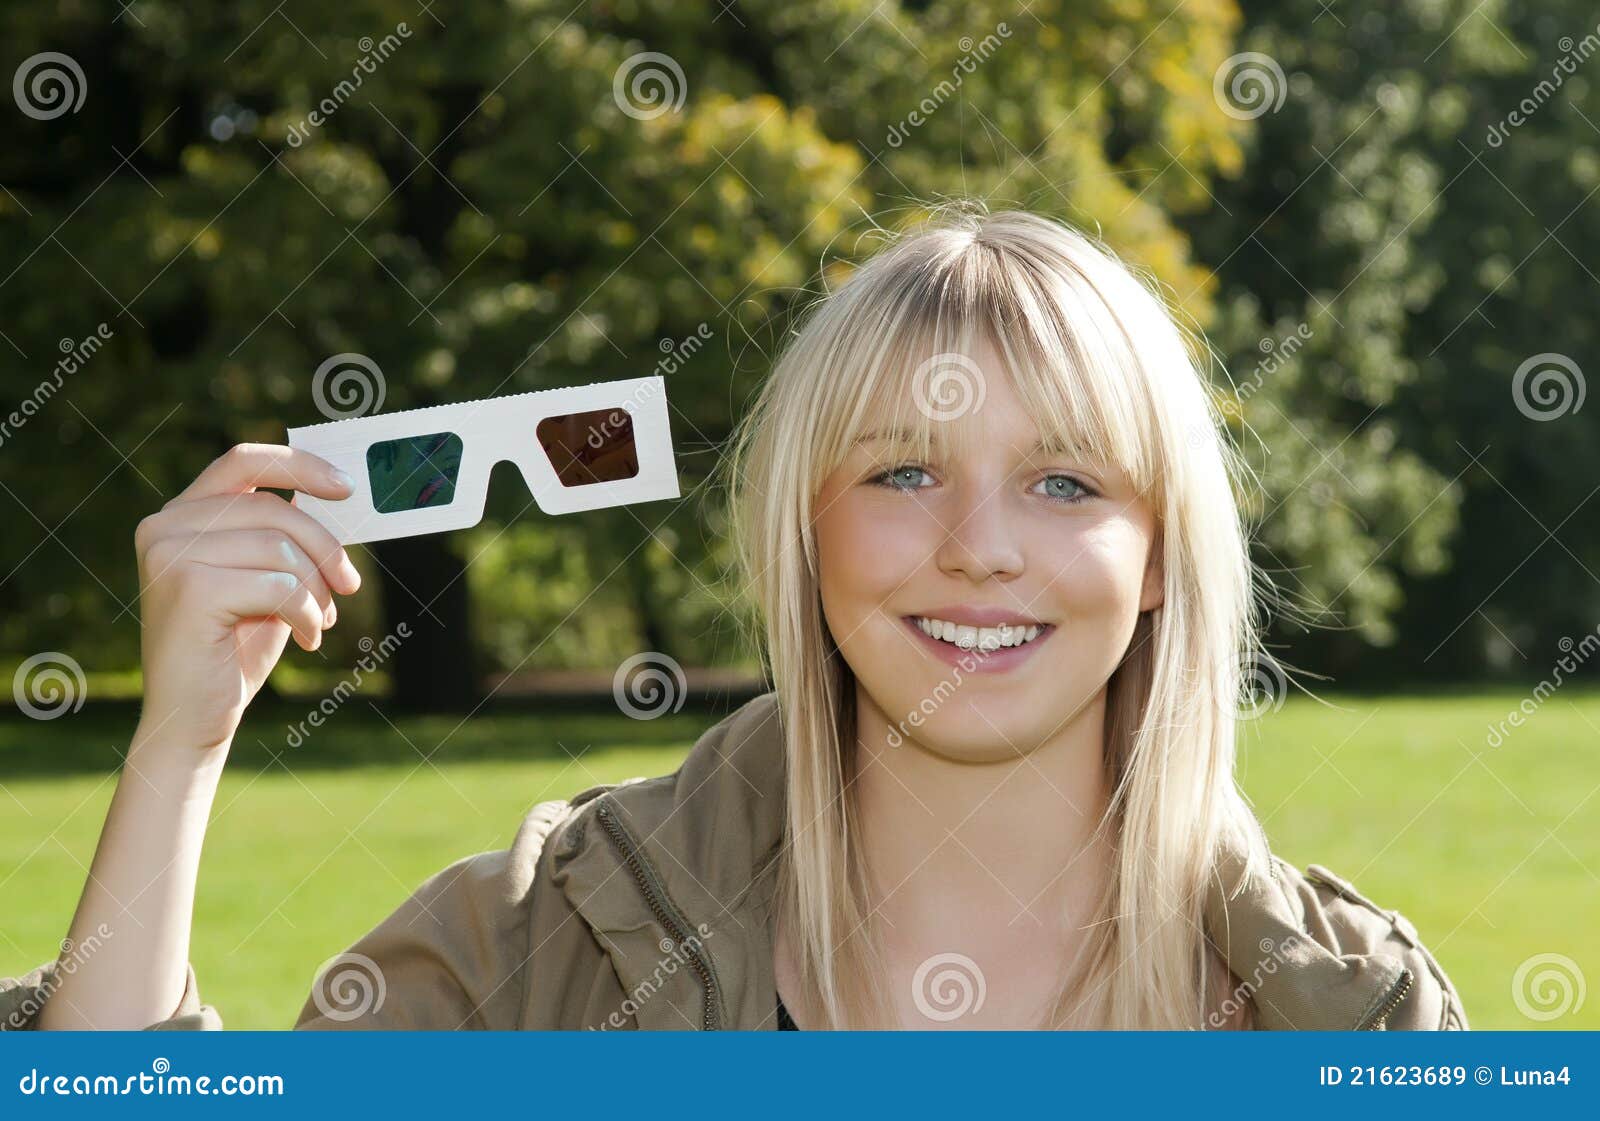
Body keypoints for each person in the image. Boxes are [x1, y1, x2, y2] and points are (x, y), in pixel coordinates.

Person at [0, 204, 1467, 1031]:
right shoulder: (542, 942)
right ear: (806, 527)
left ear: (1158, 556)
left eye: (1064, 480)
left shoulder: (1349, 1013)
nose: (978, 550)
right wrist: (180, 750)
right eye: (902, 471)